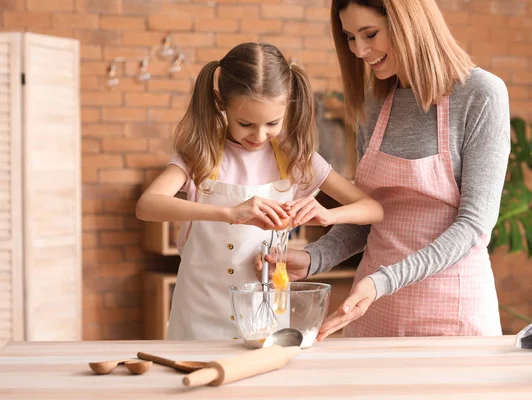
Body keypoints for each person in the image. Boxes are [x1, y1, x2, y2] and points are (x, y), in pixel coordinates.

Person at [257, 0, 510, 340]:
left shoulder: (480, 95)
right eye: (350, 37)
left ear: (410, 22)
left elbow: (474, 226)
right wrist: (313, 257)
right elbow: (371, 218)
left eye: (370, 34)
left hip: (451, 309)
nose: (360, 50)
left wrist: (383, 281)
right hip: (374, 309)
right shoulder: (374, 102)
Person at [136, 42, 384, 341]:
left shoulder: (296, 158)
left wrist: (327, 214)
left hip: (266, 313)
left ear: (288, 107)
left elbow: (373, 209)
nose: (259, 135)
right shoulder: (201, 154)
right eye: (245, 123)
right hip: (199, 313)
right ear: (220, 102)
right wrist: (229, 213)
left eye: (272, 123)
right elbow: (147, 205)